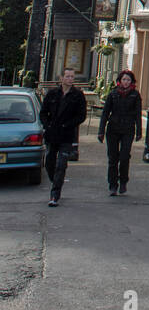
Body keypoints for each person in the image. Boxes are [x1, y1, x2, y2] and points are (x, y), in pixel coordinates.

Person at [39, 66, 87, 206]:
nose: (70, 79)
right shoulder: (52, 94)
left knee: (61, 164)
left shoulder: (77, 95)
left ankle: (55, 195)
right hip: (52, 134)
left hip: (66, 135)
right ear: (61, 78)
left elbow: (81, 116)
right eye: (67, 76)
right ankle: (56, 181)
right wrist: (47, 125)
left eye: (72, 76)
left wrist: (69, 125)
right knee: (49, 162)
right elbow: (43, 113)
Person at [98, 69, 142, 196]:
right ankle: (112, 184)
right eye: (124, 79)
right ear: (119, 81)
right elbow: (105, 113)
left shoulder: (135, 95)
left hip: (128, 129)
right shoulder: (113, 94)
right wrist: (101, 131)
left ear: (132, 82)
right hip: (113, 129)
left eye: (128, 80)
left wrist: (139, 131)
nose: (126, 82)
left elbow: (138, 114)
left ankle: (123, 181)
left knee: (124, 157)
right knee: (112, 158)